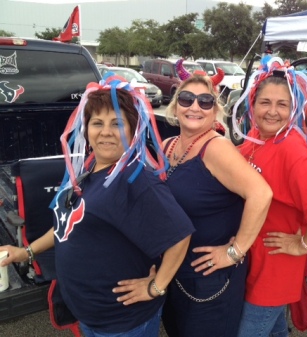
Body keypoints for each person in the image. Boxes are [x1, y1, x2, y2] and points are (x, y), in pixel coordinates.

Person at [0, 74, 195, 337]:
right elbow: (65, 225)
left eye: (117, 123)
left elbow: (179, 236)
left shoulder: (134, 179)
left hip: (122, 323)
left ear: (132, 129)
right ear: (86, 128)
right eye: (97, 123)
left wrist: (156, 287)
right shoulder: (89, 167)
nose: (105, 132)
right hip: (88, 315)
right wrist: (26, 253)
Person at [115, 59, 273, 337]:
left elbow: (261, 194)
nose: (195, 107)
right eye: (187, 99)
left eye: (205, 101)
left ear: (215, 111)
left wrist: (235, 252)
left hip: (210, 277)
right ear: (175, 106)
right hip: (175, 269)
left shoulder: (216, 149)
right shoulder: (168, 144)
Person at [232, 55, 307, 337]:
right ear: (252, 105)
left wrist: (304, 244)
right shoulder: (256, 137)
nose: (272, 111)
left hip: (275, 268)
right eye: (265, 102)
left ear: (293, 109)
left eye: (282, 104)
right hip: (253, 260)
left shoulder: (292, 149)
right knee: (276, 331)